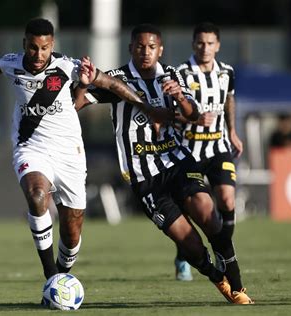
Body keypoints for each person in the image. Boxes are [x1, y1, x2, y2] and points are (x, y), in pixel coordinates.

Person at [0, 18, 161, 290]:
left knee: (72, 234)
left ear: (52, 46)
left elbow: (110, 83)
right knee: (36, 196)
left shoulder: (67, 67)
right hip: (31, 146)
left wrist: (148, 108)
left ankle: (62, 274)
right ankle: (52, 277)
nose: (38, 55)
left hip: (69, 153)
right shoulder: (11, 62)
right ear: (25, 44)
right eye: (33, 48)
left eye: (44, 48)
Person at [76, 23, 253, 304]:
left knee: (207, 210)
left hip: (178, 160)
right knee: (189, 242)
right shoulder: (116, 79)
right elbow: (77, 104)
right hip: (143, 175)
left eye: (151, 47)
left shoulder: (171, 75)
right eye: (139, 46)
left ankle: (238, 284)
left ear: (161, 49)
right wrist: (83, 84)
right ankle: (216, 276)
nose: (145, 52)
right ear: (130, 48)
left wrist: (180, 96)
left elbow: (193, 113)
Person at [174, 21, 250, 301]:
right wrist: (191, 117)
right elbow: (171, 111)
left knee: (227, 201)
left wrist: (232, 131)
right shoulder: (181, 73)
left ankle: (223, 256)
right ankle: (184, 256)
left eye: (210, 43)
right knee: (198, 211)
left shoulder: (226, 72)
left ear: (217, 45)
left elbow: (229, 100)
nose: (204, 48)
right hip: (189, 152)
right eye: (200, 43)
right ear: (193, 44)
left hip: (218, 147)